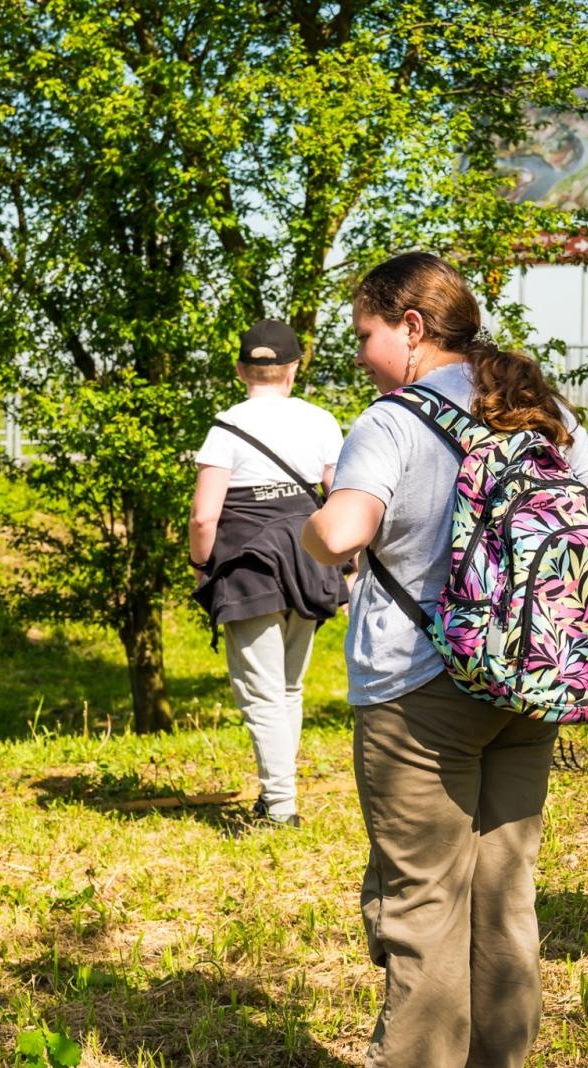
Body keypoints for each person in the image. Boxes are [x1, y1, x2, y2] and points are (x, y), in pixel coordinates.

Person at [302, 252, 588, 1067]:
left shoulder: (390, 421)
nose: (359, 354)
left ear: (413, 328)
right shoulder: (541, 409)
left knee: (423, 907)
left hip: (417, 694)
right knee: (505, 899)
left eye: (366, 334)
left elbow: (343, 533)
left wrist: (314, 519)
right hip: (526, 680)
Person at [188, 320, 348, 827]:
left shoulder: (225, 426)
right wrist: (349, 563)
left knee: (261, 693)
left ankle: (280, 807)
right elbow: (342, 495)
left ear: (241, 370)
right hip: (308, 561)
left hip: (246, 568)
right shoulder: (321, 421)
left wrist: (199, 568)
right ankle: (279, 797)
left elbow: (203, 517)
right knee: (288, 689)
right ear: (294, 368)